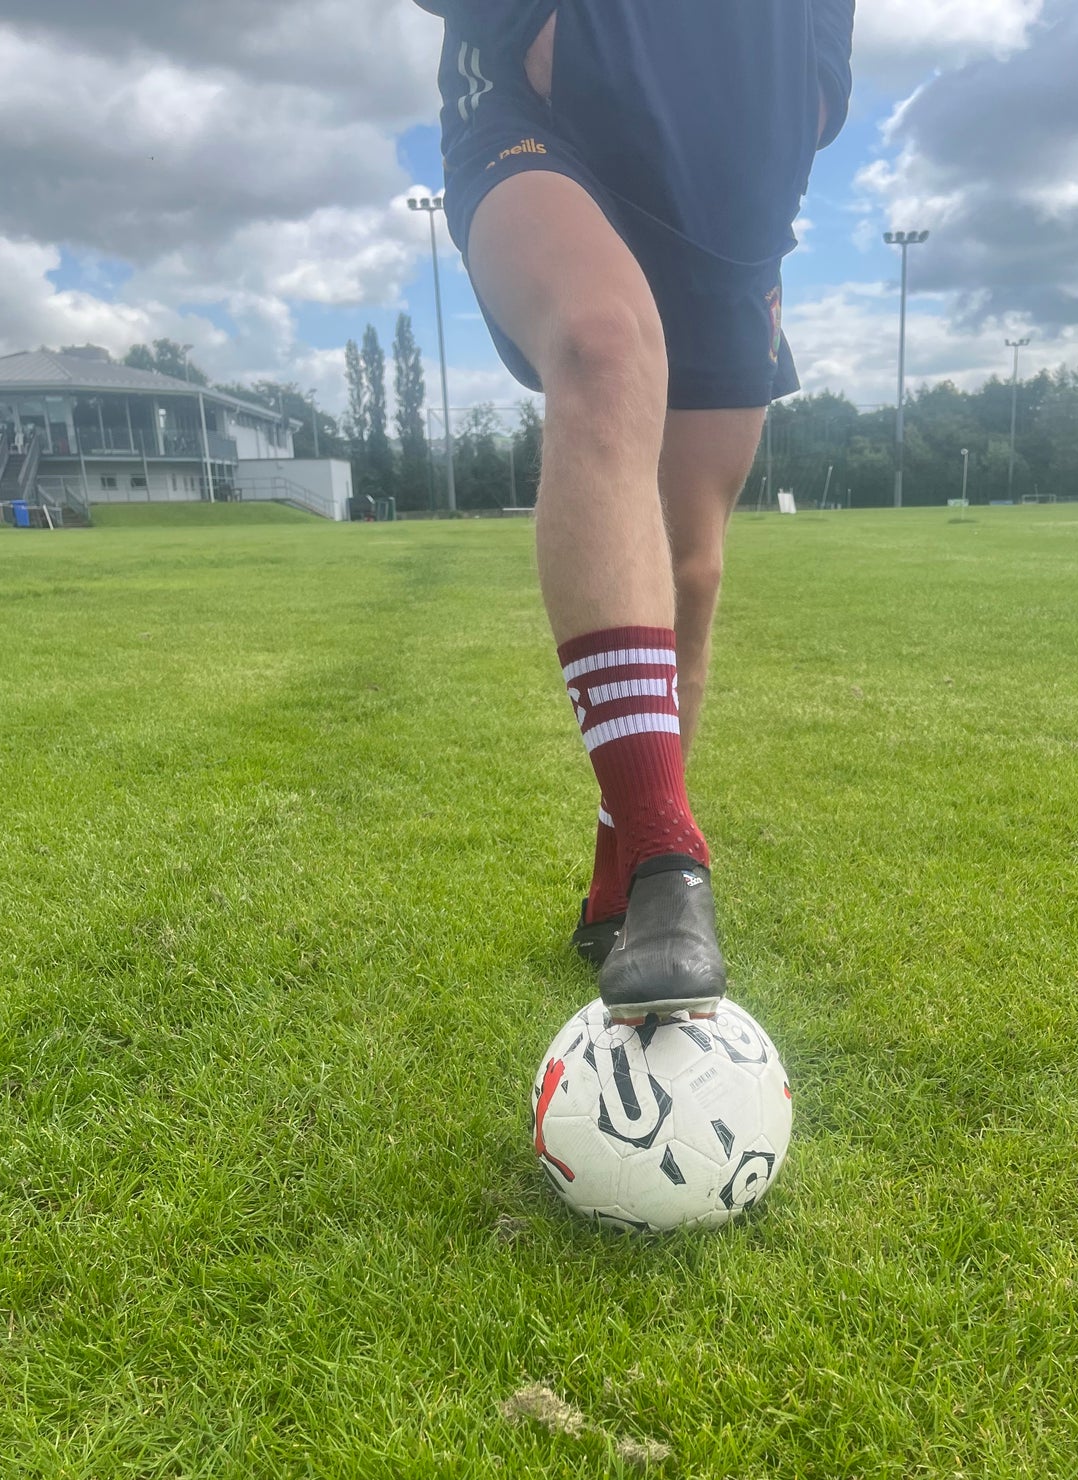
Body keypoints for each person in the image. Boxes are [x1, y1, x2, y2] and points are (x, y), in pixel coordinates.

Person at [412, 0, 855, 1017]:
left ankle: (615, 885)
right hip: (539, 124)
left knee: (689, 567)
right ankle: (665, 855)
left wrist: (797, 114)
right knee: (602, 343)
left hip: (729, 199)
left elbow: (824, 57)